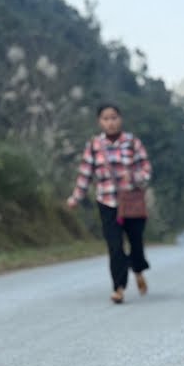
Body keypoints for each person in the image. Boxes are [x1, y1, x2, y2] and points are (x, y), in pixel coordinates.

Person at [67, 103, 152, 304]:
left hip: (131, 202)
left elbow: (146, 170)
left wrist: (134, 177)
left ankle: (138, 269)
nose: (111, 122)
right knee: (115, 247)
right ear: (100, 122)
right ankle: (118, 287)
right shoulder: (94, 146)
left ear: (120, 119)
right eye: (106, 119)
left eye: (114, 118)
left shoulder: (132, 143)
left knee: (136, 243)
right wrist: (76, 197)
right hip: (107, 202)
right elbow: (85, 173)